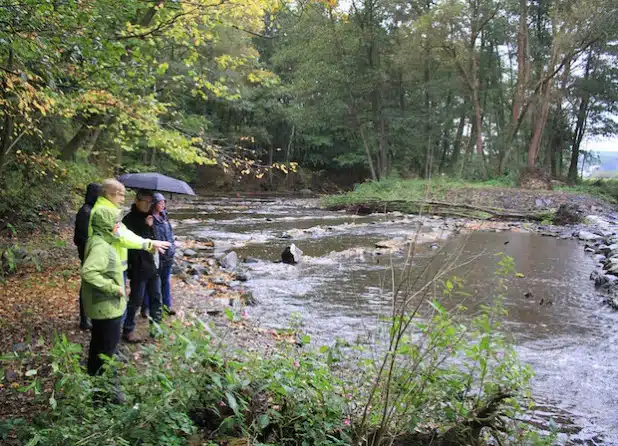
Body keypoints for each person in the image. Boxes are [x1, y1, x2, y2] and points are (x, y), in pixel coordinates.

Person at [80, 206, 125, 379]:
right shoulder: (101, 246)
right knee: (107, 353)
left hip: (103, 307)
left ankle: (95, 386)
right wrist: (113, 288)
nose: (118, 226)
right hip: (107, 308)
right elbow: (88, 272)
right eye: (116, 223)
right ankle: (107, 395)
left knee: (99, 348)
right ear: (107, 225)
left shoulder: (98, 240)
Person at [121, 190, 163, 343]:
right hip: (138, 266)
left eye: (150, 202)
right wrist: (146, 226)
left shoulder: (153, 217)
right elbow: (130, 243)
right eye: (145, 201)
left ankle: (156, 328)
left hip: (153, 265)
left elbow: (157, 239)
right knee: (135, 300)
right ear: (137, 201)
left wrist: (151, 226)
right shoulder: (129, 219)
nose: (148, 204)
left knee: (156, 298)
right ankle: (128, 329)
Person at [73, 182, 101, 330]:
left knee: (90, 285)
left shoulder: (90, 210)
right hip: (87, 254)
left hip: (89, 253)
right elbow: (80, 238)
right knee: (87, 286)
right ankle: (85, 319)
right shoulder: (86, 212)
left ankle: (88, 316)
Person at [150, 192, 176, 315]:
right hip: (157, 255)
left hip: (168, 255)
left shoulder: (165, 216)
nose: (162, 205)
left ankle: (167, 306)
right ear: (154, 204)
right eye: (160, 202)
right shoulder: (150, 219)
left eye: (163, 202)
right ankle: (149, 308)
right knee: (154, 283)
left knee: (165, 281)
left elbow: (170, 235)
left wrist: (172, 249)